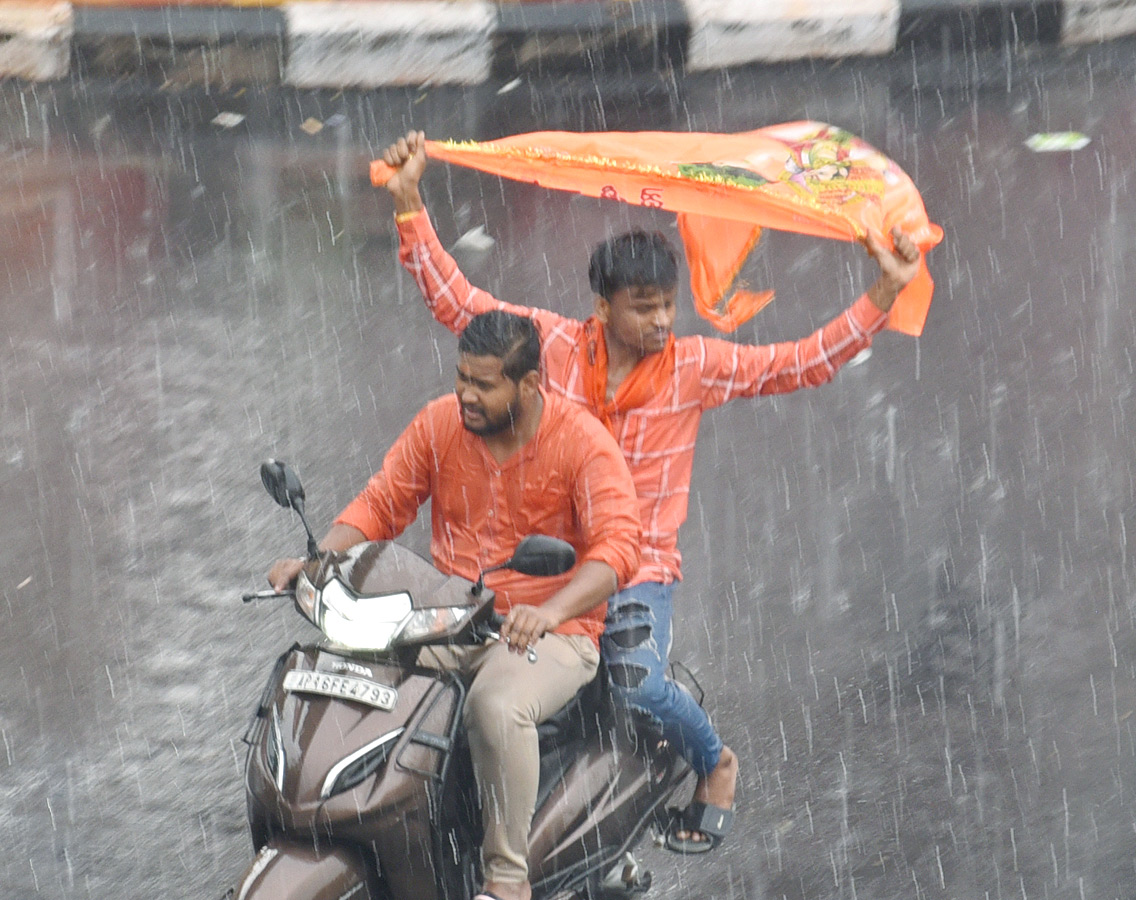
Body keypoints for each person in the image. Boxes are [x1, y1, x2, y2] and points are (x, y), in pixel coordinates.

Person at [375, 130, 925, 854]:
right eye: (643, 307)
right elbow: (460, 304)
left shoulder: (695, 366)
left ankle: (714, 761)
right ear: (601, 309)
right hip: (545, 564)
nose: (662, 321)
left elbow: (799, 365)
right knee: (415, 663)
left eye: (668, 305)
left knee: (634, 687)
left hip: (636, 570)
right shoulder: (552, 349)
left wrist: (883, 290)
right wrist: (410, 201)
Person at [268, 310, 641, 900]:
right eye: (461, 377)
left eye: (484, 384)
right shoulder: (441, 425)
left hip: (550, 634)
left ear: (529, 384)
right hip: (443, 621)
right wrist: (315, 562)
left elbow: (619, 548)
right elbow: (383, 503)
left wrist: (548, 612)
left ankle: (507, 877)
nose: (466, 394)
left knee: (495, 707)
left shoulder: (582, 442)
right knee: (343, 675)